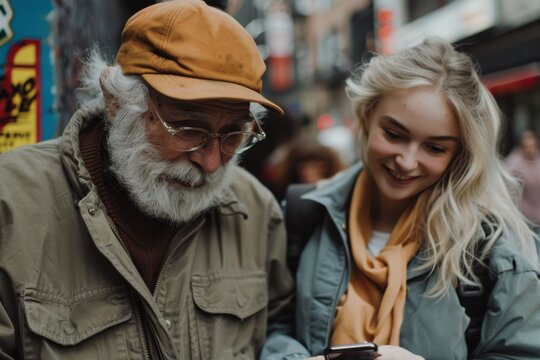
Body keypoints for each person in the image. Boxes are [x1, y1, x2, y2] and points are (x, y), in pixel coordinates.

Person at [0, 1, 293, 359]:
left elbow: (280, 327)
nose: (213, 163)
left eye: (233, 135)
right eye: (188, 130)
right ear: (115, 102)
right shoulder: (11, 205)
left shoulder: (256, 213)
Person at [261, 37, 540, 360]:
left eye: (435, 148)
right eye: (394, 135)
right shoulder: (304, 214)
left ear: (459, 155)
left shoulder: (497, 251)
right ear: (366, 116)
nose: (406, 162)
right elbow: (276, 325)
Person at [506, 131, 540, 250]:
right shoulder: (514, 162)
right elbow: (510, 189)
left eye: (532, 146)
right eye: (526, 147)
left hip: (538, 215)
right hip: (523, 217)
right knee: (527, 249)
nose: (529, 150)